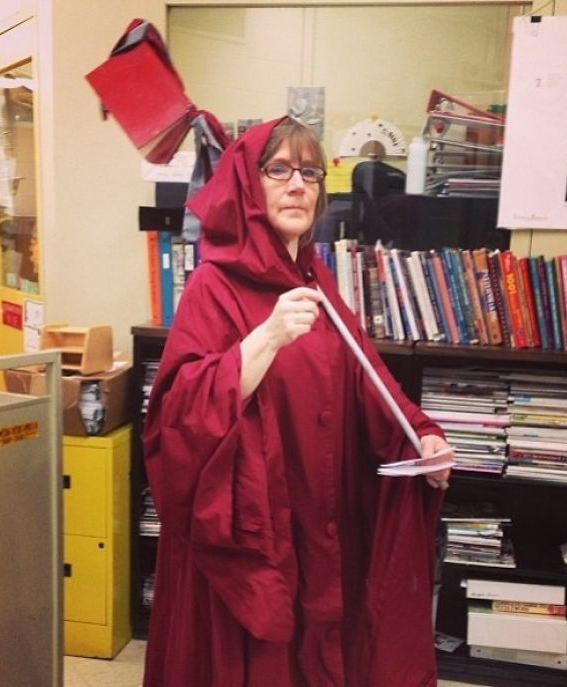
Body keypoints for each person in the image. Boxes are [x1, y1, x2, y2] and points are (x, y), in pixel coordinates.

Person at [141, 116, 453, 687]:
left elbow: (366, 379)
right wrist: (265, 338)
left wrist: (420, 434)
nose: (297, 185)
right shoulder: (214, 283)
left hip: (320, 515)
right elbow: (177, 417)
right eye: (278, 169)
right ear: (248, 185)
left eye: (310, 173)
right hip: (254, 527)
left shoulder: (316, 278)